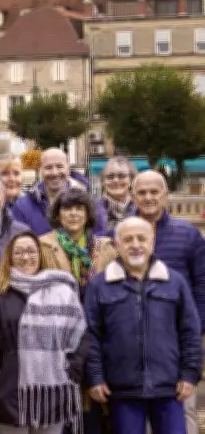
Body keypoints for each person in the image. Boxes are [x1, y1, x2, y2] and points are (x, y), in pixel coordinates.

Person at [85, 217, 202, 434]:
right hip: (122, 390)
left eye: (142, 238)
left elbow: (190, 332)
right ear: (117, 245)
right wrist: (95, 377)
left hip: (170, 388)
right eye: (128, 240)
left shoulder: (174, 282)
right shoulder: (99, 286)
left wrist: (189, 373)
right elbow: (91, 335)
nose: (136, 245)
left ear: (152, 242)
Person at [0, 231, 87, 434]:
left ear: (40, 254)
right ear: (9, 257)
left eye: (31, 251)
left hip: (54, 390)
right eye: (19, 253)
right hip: (8, 391)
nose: (25, 257)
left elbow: (79, 336)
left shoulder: (62, 292)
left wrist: (73, 371)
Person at [131, 170, 205, 434]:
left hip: (176, 344)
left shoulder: (187, 235)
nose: (148, 197)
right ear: (133, 196)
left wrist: (194, 331)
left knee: (182, 415)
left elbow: (202, 285)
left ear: (166, 196)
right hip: (132, 348)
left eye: (154, 192)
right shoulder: (121, 234)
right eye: (142, 192)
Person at [12, 148, 107, 236]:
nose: (54, 173)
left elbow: (97, 240)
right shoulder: (22, 207)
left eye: (60, 166)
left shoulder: (91, 203)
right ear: (40, 170)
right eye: (48, 167)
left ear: (68, 169)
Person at [39, 190, 117, 297]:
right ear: (57, 215)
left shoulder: (105, 248)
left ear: (87, 214)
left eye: (79, 208)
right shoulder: (43, 246)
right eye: (67, 208)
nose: (73, 213)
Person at [96, 157, 137, 233]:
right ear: (103, 181)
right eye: (110, 177)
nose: (115, 180)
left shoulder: (141, 208)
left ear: (131, 180)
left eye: (121, 176)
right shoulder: (92, 210)